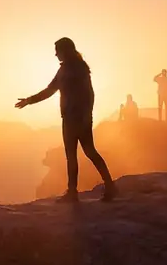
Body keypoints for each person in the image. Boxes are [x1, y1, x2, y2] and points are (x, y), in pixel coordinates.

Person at [17, 38, 117, 202]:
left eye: (58, 50)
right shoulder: (65, 70)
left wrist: (86, 116)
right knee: (74, 155)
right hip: (69, 118)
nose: (55, 54)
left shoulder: (78, 69)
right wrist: (29, 100)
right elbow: (50, 90)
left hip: (79, 118)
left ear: (66, 50)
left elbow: (89, 94)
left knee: (88, 152)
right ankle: (75, 192)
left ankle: (106, 187)